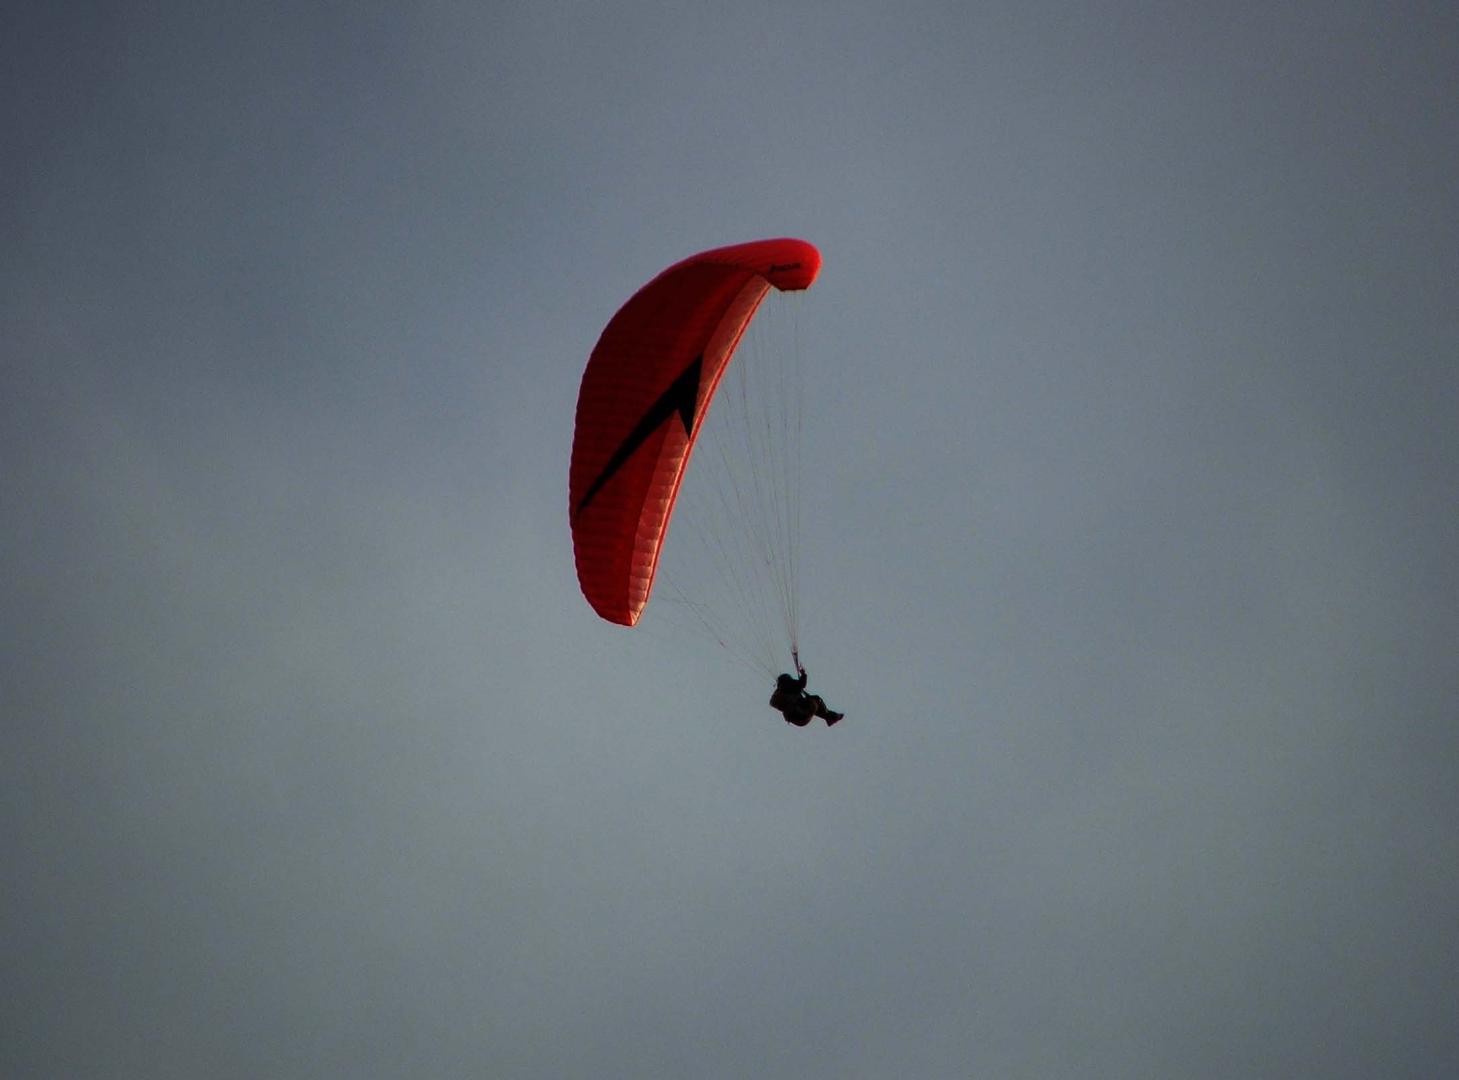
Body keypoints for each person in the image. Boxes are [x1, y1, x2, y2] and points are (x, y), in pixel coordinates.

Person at [770, 665, 843, 727]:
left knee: (813, 702)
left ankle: (829, 717)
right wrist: (803, 674)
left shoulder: (780, 693)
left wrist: (803, 675)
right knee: (816, 700)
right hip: (799, 714)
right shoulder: (788, 688)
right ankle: (830, 717)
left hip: (798, 719)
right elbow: (801, 684)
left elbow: (773, 703)